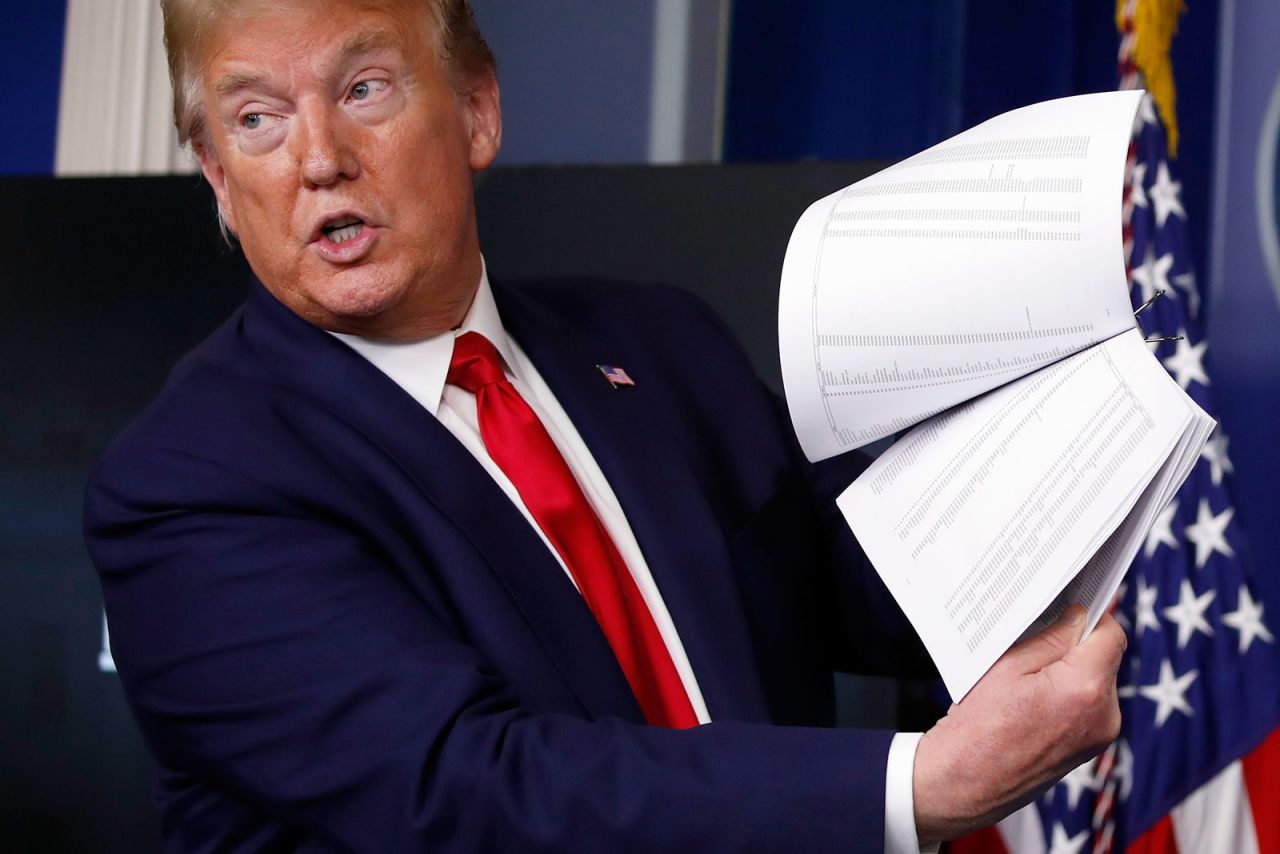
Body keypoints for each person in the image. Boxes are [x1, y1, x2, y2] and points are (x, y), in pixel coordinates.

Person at [83, 0, 1128, 850]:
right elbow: (473, 789)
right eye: (256, 119)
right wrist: (914, 785)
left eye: (364, 88)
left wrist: (1086, 417)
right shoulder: (188, 484)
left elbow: (887, 586)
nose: (318, 159)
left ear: (477, 109)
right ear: (219, 176)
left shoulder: (656, 342)